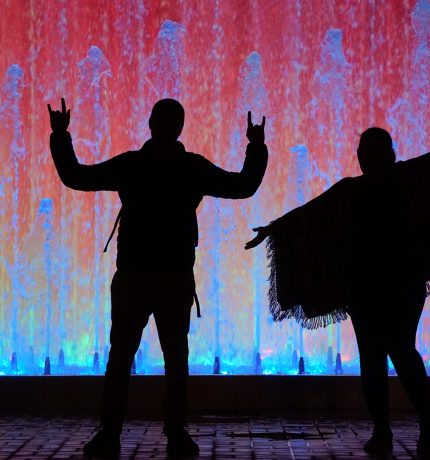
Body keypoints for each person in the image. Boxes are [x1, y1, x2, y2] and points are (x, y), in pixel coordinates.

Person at [246, 97, 430, 454]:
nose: (367, 155)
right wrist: (273, 231)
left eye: (374, 149)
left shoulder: (407, 179)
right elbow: (308, 217)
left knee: (400, 349)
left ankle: (424, 422)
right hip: (365, 286)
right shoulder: (350, 190)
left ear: (388, 153)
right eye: (364, 149)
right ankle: (385, 430)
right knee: (373, 356)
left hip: (401, 282)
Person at [48, 98, 268, 457]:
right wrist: (255, 148)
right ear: (161, 125)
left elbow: (77, 176)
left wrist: (61, 137)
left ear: (155, 124)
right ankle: (169, 431)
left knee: (129, 356)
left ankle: (118, 432)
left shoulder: (136, 165)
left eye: (168, 119)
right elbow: (242, 185)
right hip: (163, 277)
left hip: (147, 276)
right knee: (164, 357)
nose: (164, 125)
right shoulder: (186, 167)